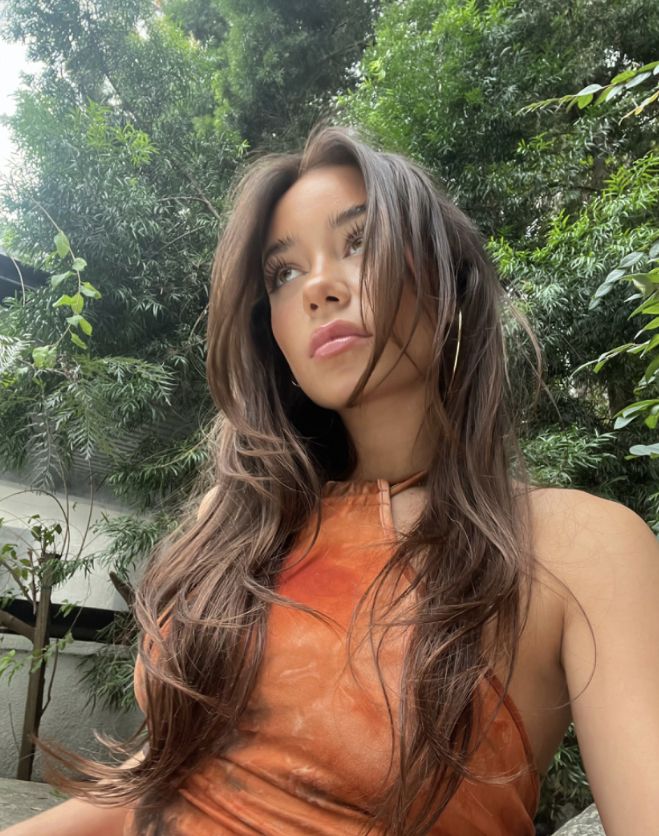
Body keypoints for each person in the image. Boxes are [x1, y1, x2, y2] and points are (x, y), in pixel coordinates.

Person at [4, 123, 659, 836]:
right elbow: (164, 785)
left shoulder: (577, 549)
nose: (317, 285)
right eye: (282, 275)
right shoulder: (233, 529)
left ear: (447, 278)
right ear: (273, 333)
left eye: (359, 242)